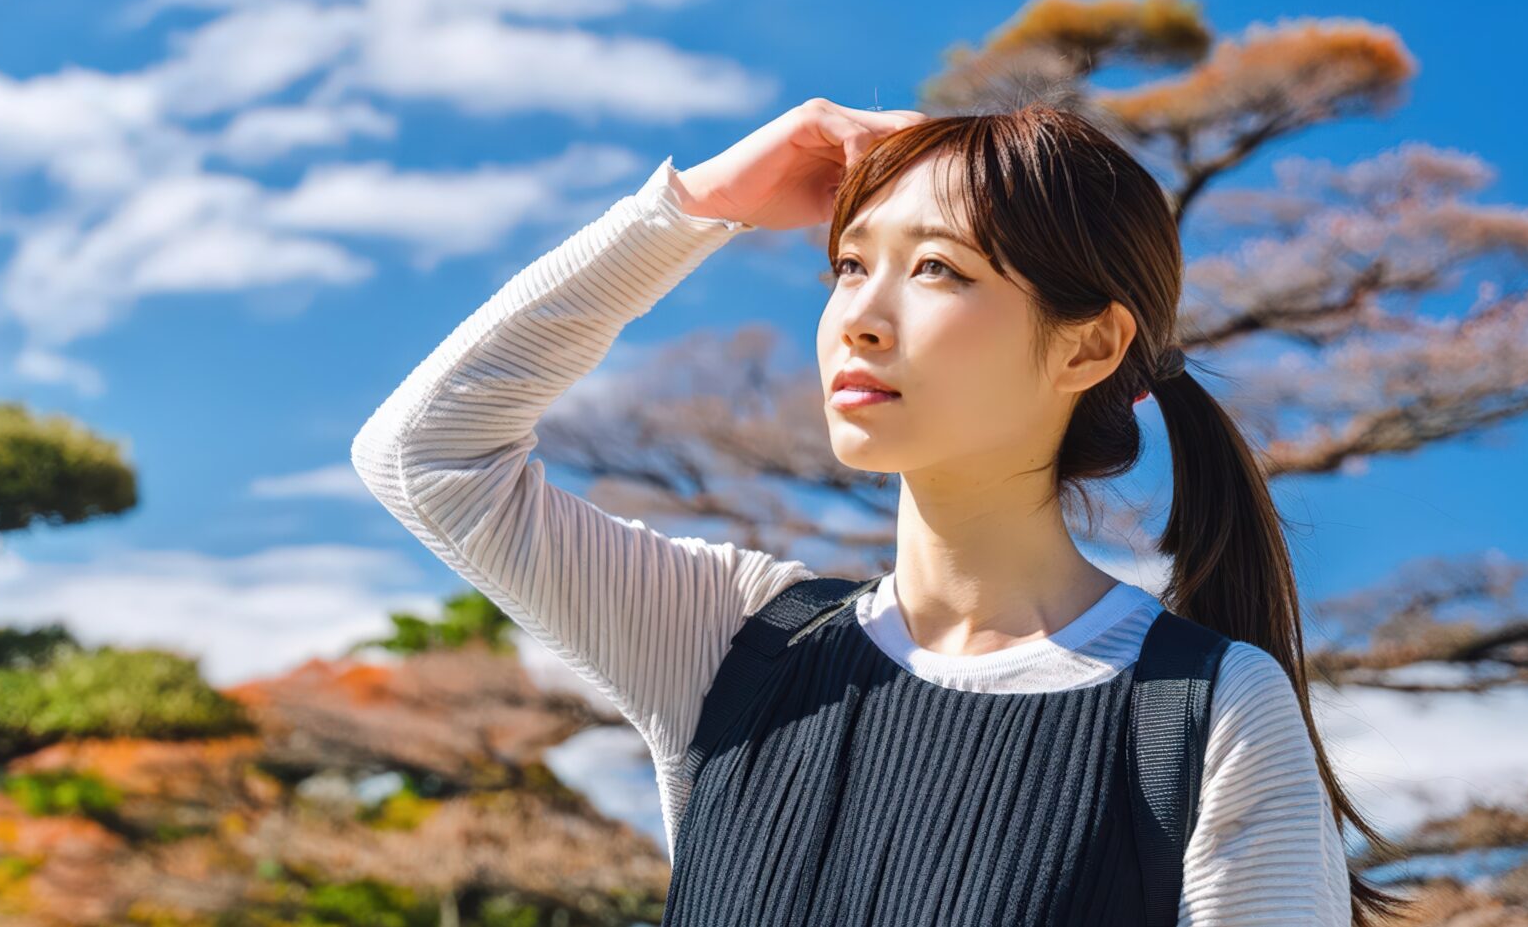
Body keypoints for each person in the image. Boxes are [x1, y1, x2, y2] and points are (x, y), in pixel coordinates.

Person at [351, 99, 1407, 925]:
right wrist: (694, 205)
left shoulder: (1204, 708)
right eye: (850, 263)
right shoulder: (742, 641)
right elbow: (425, 455)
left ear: (1087, 346)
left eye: (938, 267)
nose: (859, 313)